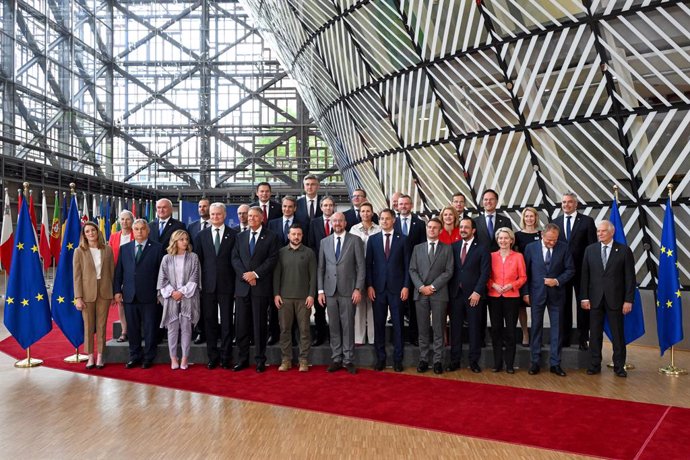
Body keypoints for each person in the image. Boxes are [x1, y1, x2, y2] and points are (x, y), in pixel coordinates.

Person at [580, 220, 635, 378]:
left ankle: (619, 366)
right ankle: (594, 365)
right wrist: (584, 298)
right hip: (594, 299)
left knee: (618, 335)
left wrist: (628, 300)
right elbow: (585, 276)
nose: (599, 234)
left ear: (612, 232)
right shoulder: (590, 250)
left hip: (616, 300)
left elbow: (630, 278)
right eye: (598, 231)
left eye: (603, 231)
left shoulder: (624, 251)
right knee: (595, 334)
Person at [231, 206, 280, 372]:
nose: (250, 218)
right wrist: (246, 276)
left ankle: (260, 360)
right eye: (248, 215)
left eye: (254, 216)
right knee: (241, 326)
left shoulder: (271, 237)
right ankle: (242, 359)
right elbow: (235, 258)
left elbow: (272, 259)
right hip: (242, 287)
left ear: (261, 218)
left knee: (259, 326)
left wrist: (255, 274)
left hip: (260, 287)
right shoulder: (240, 236)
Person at [522, 224, 574, 377]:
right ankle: (535, 362)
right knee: (536, 327)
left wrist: (557, 281)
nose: (552, 243)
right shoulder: (531, 248)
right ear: (542, 235)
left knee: (557, 330)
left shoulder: (563, 248)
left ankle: (555, 364)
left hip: (557, 294)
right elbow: (525, 273)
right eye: (550, 240)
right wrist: (525, 293)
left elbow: (570, 269)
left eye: (555, 240)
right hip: (536, 294)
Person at [317, 212, 365, 374]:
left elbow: (361, 267)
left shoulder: (355, 240)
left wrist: (358, 289)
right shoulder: (324, 242)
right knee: (334, 326)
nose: (337, 223)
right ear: (331, 223)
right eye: (334, 221)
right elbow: (321, 268)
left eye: (340, 221)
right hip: (330, 291)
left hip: (348, 290)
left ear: (345, 223)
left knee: (348, 326)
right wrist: (320, 290)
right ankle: (337, 358)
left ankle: (348, 359)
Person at [114, 219, 165, 369]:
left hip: (150, 296)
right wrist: (117, 290)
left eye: (142, 229)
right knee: (133, 329)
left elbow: (162, 274)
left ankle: (149, 357)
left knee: (150, 328)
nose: (139, 232)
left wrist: (159, 293)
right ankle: (134, 356)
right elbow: (119, 272)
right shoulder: (125, 248)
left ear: (148, 231)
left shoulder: (158, 248)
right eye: (136, 229)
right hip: (129, 295)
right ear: (132, 231)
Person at [194, 203, 238, 369]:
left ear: (225, 215)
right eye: (212, 214)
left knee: (227, 322)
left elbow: (236, 262)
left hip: (228, 286)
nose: (215, 217)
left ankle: (226, 357)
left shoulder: (234, 235)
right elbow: (198, 263)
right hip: (207, 287)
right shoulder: (201, 235)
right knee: (210, 322)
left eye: (218, 214)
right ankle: (212, 357)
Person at [552, 192, 597, 350]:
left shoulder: (587, 221)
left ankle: (583, 338)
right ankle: (564, 338)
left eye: (570, 202)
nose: (566, 205)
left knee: (583, 305)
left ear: (576, 204)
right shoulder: (555, 222)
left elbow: (592, 248)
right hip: (562, 272)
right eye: (564, 202)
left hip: (582, 271)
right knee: (563, 305)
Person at [366, 208, 409, 372]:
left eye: (387, 219)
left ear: (394, 220)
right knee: (379, 324)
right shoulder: (373, 239)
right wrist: (369, 285)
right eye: (382, 219)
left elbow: (407, 266)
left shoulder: (403, 240)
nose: (384, 221)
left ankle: (398, 359)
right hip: (378, 289)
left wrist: (406, 286)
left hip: (397, 289)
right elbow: (369, 265)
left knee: (398, 324)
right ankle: (380, 358)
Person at [409, 218, 454, 375]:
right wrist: (421, 287)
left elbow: (449, 271)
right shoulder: (417, 248)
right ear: (426, 229)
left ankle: (438, 361)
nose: (432, 230)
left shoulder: (447, 248)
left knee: (438, 328)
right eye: (429, 227)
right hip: (421, 293)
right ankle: (423, 359)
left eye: (435, 228)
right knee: (422, 329)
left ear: (440, 230)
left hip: (439, 293)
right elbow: (412, 270)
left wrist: (432, 287)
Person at [448, 218, 490, 373]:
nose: (463, 229)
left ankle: (474, 361)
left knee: (474, 329)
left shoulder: (483, 248)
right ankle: (455, 360)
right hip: (456, 294)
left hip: (474, 295)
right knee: (455, 329)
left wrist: (477, 291)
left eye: (467, 227)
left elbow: (485, 272)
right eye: (462, 227)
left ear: (473, 230)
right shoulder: (454, 246)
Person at [273, 224, 317, 372]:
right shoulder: (281, 252)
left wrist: (311, 295)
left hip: (304, 299)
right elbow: (276, 275)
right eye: (293, 234)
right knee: (284, 330)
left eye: (299, 234)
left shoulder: (309, 253)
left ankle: (303, 360)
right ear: (288, 235)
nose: (296, 237)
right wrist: (276, 294)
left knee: (304, 330)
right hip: (284, 299)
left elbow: (314, 276)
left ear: (302, 236)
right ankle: (286, 360)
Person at [73, 222, 115, 370]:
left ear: (98, 232)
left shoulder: (108, 250)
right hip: (86, 293)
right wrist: (78, 297)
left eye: (93, 230)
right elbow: (76, 276)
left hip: (104, 291)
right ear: (84, 235)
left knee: (102, 325)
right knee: (89, 326)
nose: (91, 233)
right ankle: (90, 355)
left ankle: (100, 356)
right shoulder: (79, 251)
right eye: (87, 231)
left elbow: (112, 272)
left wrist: (114, 292)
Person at [157, 230, 200, 370]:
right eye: (181, 239)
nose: (185, 242)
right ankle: (173, 358)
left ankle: (185, 358)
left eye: (186, 239)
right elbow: (162, 279)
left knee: (187, 329)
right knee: (172, 329)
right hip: (171, 298)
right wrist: (172, 292)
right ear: (175, 241)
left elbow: (195, 277)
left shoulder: (193, 257)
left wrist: (182, 292)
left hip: (188, 297)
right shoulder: (167, 258)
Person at [487, 227, 527, 374]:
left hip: (512, 298)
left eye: (506, 238)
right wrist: (493, 285)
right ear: (497, 240)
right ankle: (497, 363)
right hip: (494, 297)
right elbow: (486, 275)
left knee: (510, 331)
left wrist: (512, 285)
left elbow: (523, 277)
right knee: (496, 330)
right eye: (500, 238)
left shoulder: (518, 257)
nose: (503, 241)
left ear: (511, 240)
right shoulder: (491, 256)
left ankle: (509, 364)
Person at [267, 196, 305, 344]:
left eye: (290, 207)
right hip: (276, 266)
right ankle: (273, 334)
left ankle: (294, 336)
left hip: (295, 268)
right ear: (281, 207)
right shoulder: (272, 223)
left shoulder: (302, 224)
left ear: (295, 208)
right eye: (284, 206)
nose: (287, 209)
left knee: (294, 303)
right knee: (275, 303)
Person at [394, 194, 426, 346]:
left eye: (406, 204)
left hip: (415, 268)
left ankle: (414, 336)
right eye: (401, 204)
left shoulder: (419, 224)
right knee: (398, 304)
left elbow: (422, 247)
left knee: (414, 305)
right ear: (397, 206)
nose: (403, 207)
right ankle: (398, 337)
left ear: (411, 205)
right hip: (397, 269)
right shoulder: (392, 223)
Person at [306, 195, 336, 346]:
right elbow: (311, 244)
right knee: (319, 307)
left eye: (330, 205)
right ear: (321, 207)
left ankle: (334, 336)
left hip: (335, 269)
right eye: (325, 205)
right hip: (319, 267)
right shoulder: (314, 223)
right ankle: (320, 335)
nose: (328, 208)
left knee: (333, 306)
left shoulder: (339, 221)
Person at [349, 202, 380, 345]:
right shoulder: (354, 229)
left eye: (368, 211)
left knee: (373, 305)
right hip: (357, 269)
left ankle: (374, 338)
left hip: (375, 269)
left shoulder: (379, 229)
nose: (365, 213)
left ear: (372, 213)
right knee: (360, 304)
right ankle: (359, 339)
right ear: (359, 213)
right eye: (363, 211)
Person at [514, 207, 542, 347]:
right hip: (522, 274)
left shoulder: (542, 234)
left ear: (536, 218)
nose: (529, 219)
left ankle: (537, 335)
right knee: (521, 306)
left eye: (532, 216)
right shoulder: (517, 235)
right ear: (523, 218)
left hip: (537, 274)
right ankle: (525, 333)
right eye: (527, 216)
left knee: (537, 305)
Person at [108, 210, 134, 342]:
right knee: (121, 303)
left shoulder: (137, 234)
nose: (125, 222)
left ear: (132, 220)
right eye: (122, 219)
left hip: (133, 273)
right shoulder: (113, 236)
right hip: (118, 273)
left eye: (127, 219)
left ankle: (136, 329)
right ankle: (124, 331)